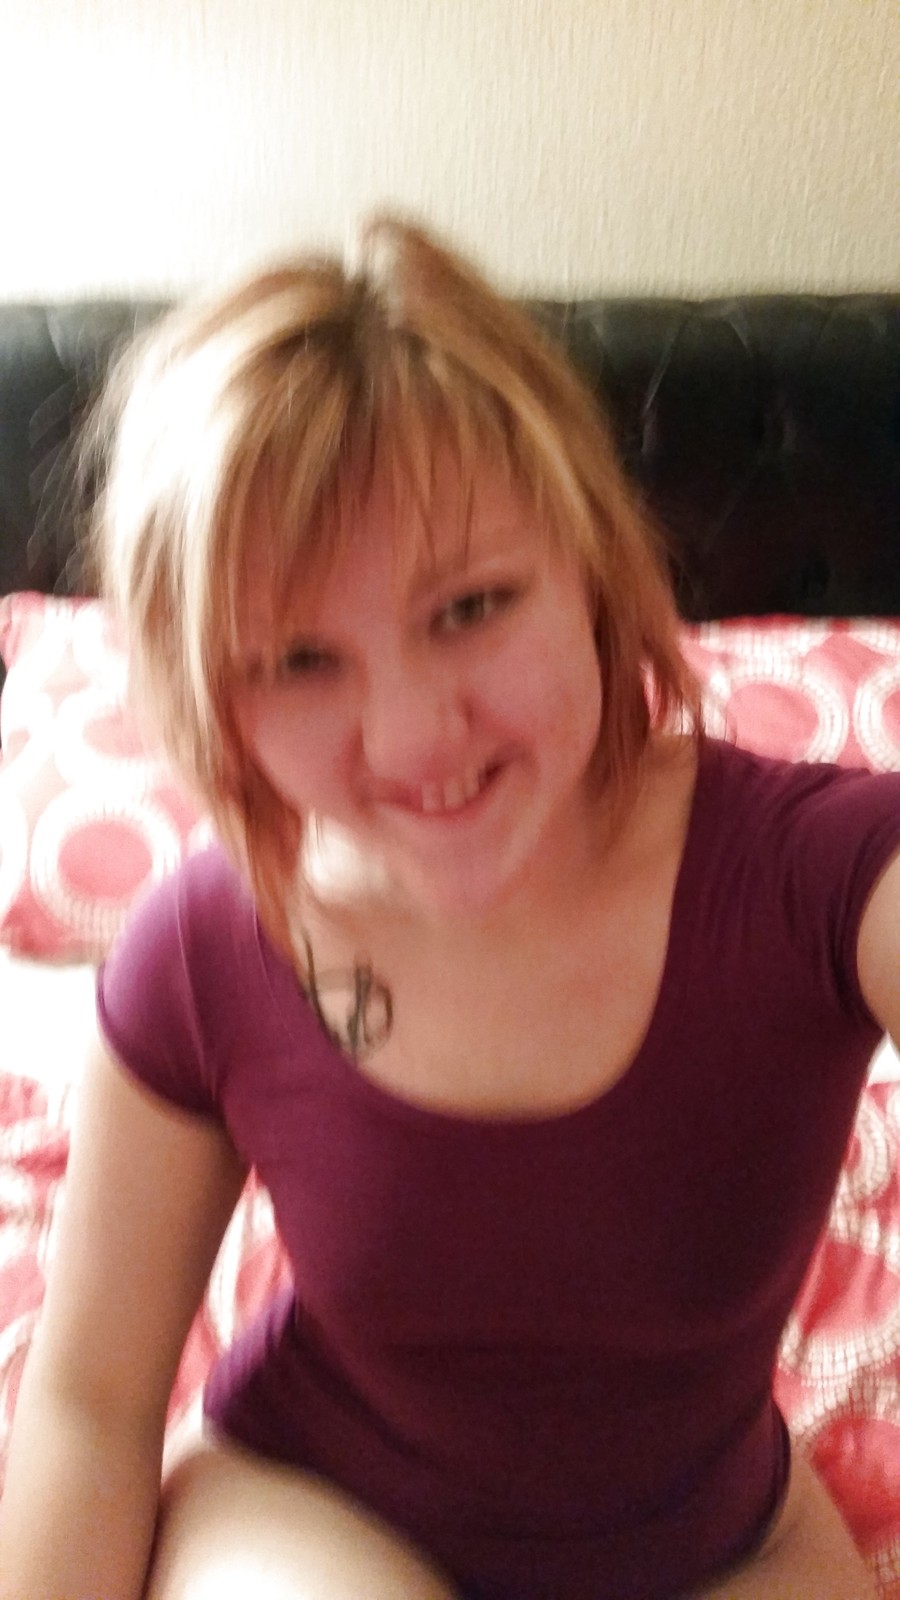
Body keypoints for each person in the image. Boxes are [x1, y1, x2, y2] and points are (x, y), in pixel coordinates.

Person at [0, 216, 893, 1600]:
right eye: (300, 660)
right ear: (215, 700)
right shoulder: (208, 951)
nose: (414, 737)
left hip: (722, 1538)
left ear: (591, 565)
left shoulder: (822, 876)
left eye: (471, 607)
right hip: (319, 1511)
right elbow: (90, 1405)